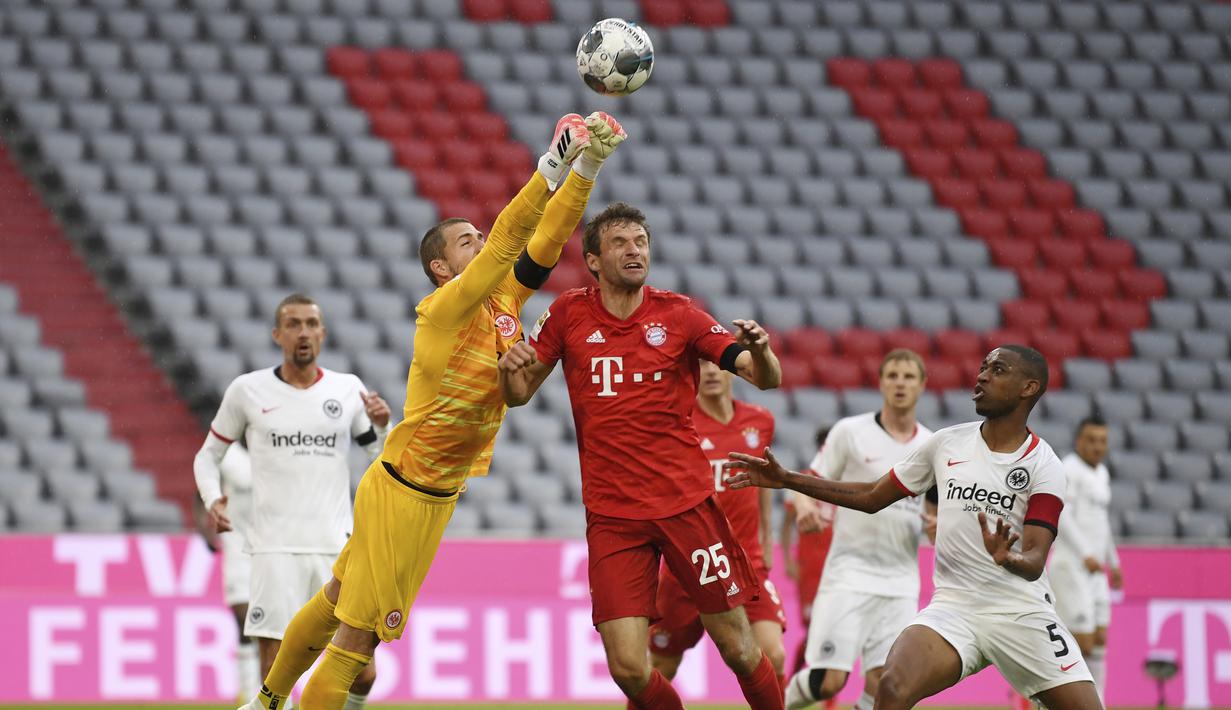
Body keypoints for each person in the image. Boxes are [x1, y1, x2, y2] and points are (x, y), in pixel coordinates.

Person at [240, 111, 625, 710]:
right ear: (441, 269)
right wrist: (553, 163)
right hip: (408, 494)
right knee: (355, 639)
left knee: (334, 600)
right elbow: (508, 241)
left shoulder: (501, 301)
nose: (483, 242)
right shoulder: (443, 310)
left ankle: (262, 702)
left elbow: (546, 240)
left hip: (419, 489)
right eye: (465, 240)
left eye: (479, 235)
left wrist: (589, 169)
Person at [498, 202, 786, 710]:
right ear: (592, 259)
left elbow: (765, 378)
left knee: (740, 648)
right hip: (612, 516)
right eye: (620, 243)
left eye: (641, 243)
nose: (635, 251)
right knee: (629, 668)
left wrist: (760, 350)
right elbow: (519, 393)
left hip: (685, 506)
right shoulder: (567, 313)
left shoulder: (680, 314)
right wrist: (509, 365)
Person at [726, 346, 1103, 710]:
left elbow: (1035, 559)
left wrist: (1010, 557)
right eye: (984, 367)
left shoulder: (1044, 465)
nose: (982, 375)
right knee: (891, 686)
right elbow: (873, 495)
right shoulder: (946, 444)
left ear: (1029, 388)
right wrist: (788, 479)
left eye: (998, 370)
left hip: (1021, 612)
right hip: (954, 609)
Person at [196, 294, 393, 709]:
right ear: (277, 334)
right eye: (293, 324)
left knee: (363, 670)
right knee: (274, 675)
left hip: (336, 549)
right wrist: (213, 499)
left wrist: (382, 425)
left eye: (310, 324)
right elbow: (208, 456)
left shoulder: (347, 388)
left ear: (322, 333)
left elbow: (382, 460)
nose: (302, 332)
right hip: (274, 549)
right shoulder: (247, 391)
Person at [784, 349, 933, 710]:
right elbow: (807, 483)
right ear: (881, 382)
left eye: (909, 376)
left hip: (900, 582)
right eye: (893, 375)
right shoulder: (850, 433)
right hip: (849, 574)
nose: (900, 383)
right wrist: (804, 506)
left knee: (886, 685)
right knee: (829, 681)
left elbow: (935, 511)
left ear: (923, 385)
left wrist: (936, 525)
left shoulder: (932, 445)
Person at [639, 358, 787, 699]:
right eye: (700, 366)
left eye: (716, 365)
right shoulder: (680, 423)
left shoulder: (760, 421)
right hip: (686, 567)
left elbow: (761, 484)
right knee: (660, 668)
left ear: (731, 370)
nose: (709, 373)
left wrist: (766, 540)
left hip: (745, 563)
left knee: (772, 655)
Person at [1050, 416, 1121, 701]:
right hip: (1071, 566)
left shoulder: (1102, 473)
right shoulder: (1068, 469)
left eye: (1102, 441)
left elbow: (1101, 523)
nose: (1097, 446)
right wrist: (1086, 553)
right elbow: (1062, 515)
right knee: (1081, 643)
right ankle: (1061, 701)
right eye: (1091, 440)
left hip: (1095, 570)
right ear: (1079, 440)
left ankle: (1098, 701)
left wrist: (1113, 562)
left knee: (1100, 639)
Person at [194, 442, 261, 703]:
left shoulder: (272, 446)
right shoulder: (229, 454)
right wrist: (204, 526)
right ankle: (248, 691)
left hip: (270, 547)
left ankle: (269, 694)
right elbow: (201, 486)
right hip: (236, 546)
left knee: (271, 625)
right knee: (244, 620)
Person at [780, 428, 835, 683]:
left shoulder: (847, 484)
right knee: (814, 629)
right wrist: (788, 560)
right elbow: (787, 523)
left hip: (838, 568)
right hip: (810, 568)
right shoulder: (804, 481)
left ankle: (827, 693)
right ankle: (794, 678)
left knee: (832, 630)